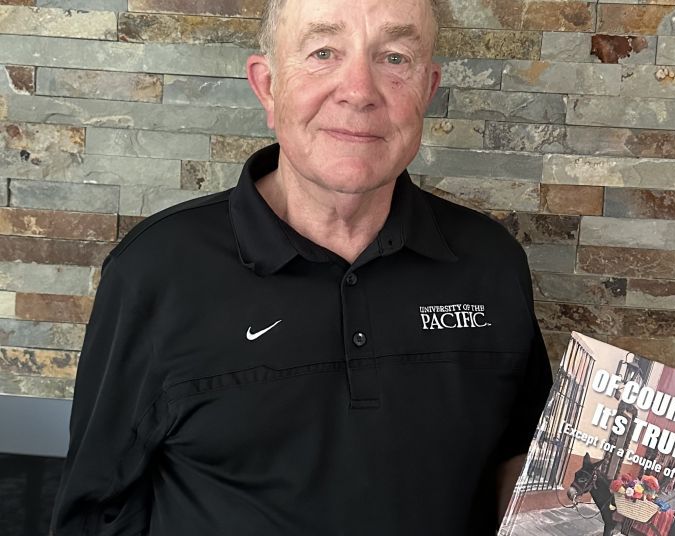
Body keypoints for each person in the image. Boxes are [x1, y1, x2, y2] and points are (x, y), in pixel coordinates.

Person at [50, 0, 552, 534]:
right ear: (267, 86)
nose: (358, 91)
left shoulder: (491, 262)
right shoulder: (157, 271)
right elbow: (95, 511)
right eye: (323, 51)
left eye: (395, 58)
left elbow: (521, 455)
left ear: (427, 90)